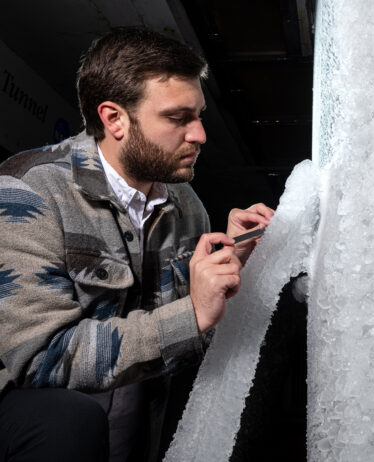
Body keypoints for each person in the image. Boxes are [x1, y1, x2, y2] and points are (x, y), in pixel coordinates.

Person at [0, 28, 273, 462]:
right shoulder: (28, 193)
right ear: (114, 119)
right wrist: (194, 312)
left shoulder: (186, 205)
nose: (200, 134)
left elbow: (191, 335)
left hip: (139, 427)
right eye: (178, 118)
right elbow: (42, 361)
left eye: (199, 115)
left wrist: (228, 269)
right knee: (64, 420)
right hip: (47, 431)